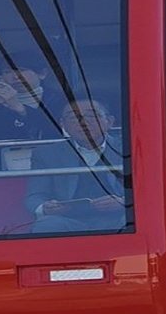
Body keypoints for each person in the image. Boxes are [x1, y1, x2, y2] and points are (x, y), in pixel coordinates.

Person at [24, 98, 128, 233]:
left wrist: (123, 201)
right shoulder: (46, 154)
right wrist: (45, 207)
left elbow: (147, 191)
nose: (83, 122)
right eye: (73, 117)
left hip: (116, 218)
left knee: (130, 221)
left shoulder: (129, 149)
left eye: (92, 115)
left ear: (109, 121)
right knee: (46, 225)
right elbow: (35, 197)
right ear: (63, 125)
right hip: (69, 220)